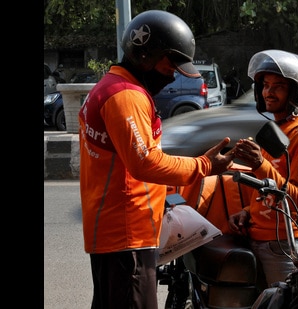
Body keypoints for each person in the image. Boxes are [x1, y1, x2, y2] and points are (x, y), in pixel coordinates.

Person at [78, 10, 234, 309]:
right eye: (171, 62)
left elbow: (128, 161)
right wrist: (204, 166)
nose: (174, 72)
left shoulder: (110, 88)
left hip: (116, 232)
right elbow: (145, 163)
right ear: (146, 54)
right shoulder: (125, 96)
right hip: (127, 236)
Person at [227, 49, 298, 289]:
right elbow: (266, 187)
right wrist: (247, 211)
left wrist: (259, 165)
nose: (268, 92)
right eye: (265, 85)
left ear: (296, 93)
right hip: (255, 236)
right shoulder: (276, 131)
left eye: (278, 86)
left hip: (282, 244)